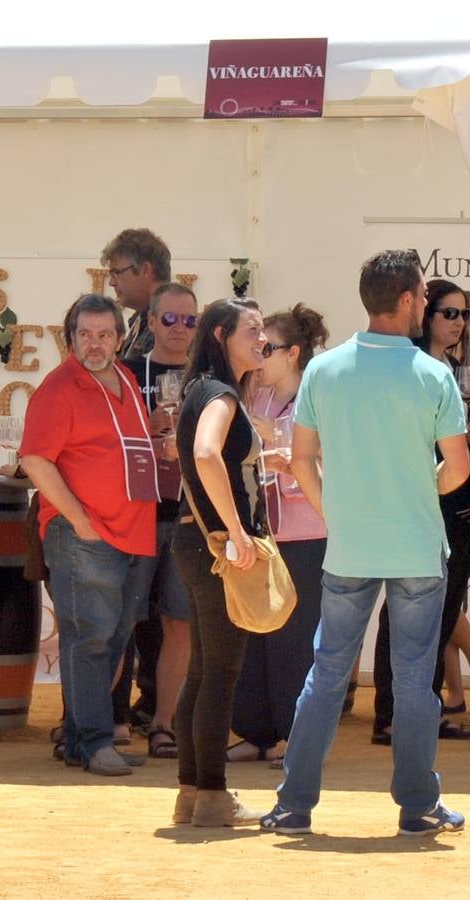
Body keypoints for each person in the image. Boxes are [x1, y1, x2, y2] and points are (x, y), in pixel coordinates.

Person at [261, 250, 470, 837]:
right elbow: (456, 470)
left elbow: (300, 460)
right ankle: (416, 805)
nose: (427, 304)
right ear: (406, 300)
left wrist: (339, 512)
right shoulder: (434, 374)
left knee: (326, 673)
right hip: (415, 548)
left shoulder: (325, 370)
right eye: (425, 295)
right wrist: (415, 491)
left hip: (349, 548)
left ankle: (293, 805)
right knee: (411, 681)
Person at [19, 294, 156, 776]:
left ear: (120, 339)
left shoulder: (124, 380)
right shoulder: (58, 389)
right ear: (70, 337)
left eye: (103, 334)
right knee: (90, 642)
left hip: (132, 534)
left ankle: (82, 740)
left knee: (112, 643)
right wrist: (78, 520)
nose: (94, 344)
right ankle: (97, 740)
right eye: (84, 334)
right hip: (85, 537)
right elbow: (34, 459)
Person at [371, 280, 470, 744]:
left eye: (464, 314)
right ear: (425, 314)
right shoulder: (413, 368)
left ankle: (422, 708)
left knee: (440, 609)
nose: (458, 323)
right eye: (449, 313)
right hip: (426, 495)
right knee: (403, 608)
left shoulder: (461, 369)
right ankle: (391, 712)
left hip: (460, 499)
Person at [170, 298, 273, 828]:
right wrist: (236, 531)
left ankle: (194, 791)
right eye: (251, 329)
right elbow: (207, 455)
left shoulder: (201, 391)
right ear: (219, 336)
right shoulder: (220, 394)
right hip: (216, 546)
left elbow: (206, 457)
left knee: (205, 669)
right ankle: (212, 793)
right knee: (220, 673)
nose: (263, 338)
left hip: (195, 542)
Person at [227, 303, 328, 766]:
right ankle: (255, 729)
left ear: (293, 353)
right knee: (253, 629)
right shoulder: (256, 397)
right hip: (263, 529)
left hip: (307, 530)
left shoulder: (318, 396)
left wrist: (281, 451)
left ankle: (294, 733)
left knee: (295, 636)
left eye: (266, 347)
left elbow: (328, 464)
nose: (257, 355)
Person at [120, 282, 197, 759]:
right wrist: (142, 426)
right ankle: (110, 717)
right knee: (121, 620)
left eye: (189, 321)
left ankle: (164, 723)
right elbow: (108, 437)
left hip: (186, 512)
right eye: (169, 319)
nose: (179, 330)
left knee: (180, 623)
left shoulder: (207, 375)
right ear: (150, 323)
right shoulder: (128, 373)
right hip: (135, 511)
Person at [101, 228, 171, 362]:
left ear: (145, 270)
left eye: (117, 272)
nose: (111, 283)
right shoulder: (140, 320)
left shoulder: (169, 323)